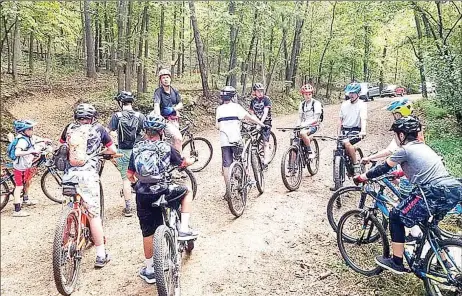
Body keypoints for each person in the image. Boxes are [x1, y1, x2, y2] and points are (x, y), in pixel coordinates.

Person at [353, 117, 462, 274]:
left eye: (396, 134)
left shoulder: (405, 150)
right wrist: (398, 173)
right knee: (428, 224)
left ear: (402, 135)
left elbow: (382, 168)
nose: (396, 138)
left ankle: (396, 261)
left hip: (432, 191)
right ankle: (443, 261)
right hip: (452, 189)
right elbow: (419, 168)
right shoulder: (424, 148)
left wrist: (362, 177)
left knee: (396, 216)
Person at [126, 114, 198, 284]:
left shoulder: (136, 148)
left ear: (145, 131)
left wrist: (137, 185)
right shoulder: (166, 147)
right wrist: (192, 160)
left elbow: (129, 175)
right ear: (161, 132)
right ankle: (184, 229)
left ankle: (150, 269)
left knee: (147, 231)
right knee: (187, 191)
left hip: (143, 195)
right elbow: (181, 163)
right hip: (163, 191)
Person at [58, 103, 117, 268]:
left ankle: (62, 249)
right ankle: (100, 255)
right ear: (93, 117)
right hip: (88, 176)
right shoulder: (99, 129)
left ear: (76, 117)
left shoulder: (69, 128)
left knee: (70, 207)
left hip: (69, 176)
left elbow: (61, 145)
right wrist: (101, 154)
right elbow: (111, 149)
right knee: (94, 216)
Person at [216, 86, 266, 197]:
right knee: (242, 158)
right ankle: (246, 180)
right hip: (236, 139)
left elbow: (217, 126)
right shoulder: (236, 107)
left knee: (226, 165)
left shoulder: (219, 109)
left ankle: (228, 191)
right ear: (233, 97)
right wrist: (262, 124)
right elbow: (250, 117)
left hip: (224, 141)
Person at [108, 91, 145, 217]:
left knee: (125, 179)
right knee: (141, 176)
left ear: (121, 103)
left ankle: (128, 208)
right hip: (138, 151)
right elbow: (146, 132)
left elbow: (109, 133)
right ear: (131, 102)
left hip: (123, 151)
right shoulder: (140, 116)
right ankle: (145, 201)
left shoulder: (116, 116)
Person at [361, 97, 423, 164]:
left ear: (398, 114)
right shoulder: (415, 125)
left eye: (394, 114)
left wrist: (370, 158)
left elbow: (390, 150)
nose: (393, 116)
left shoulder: (403, 129)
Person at [9, 120, 50, 217]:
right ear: (23, 131)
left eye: (32, 128)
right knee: (19, 186)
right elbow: (17, 153)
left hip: (26, 165)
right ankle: (17, 210)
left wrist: (45, 140)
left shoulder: (28, 137)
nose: (32, 130)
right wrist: (30, 152)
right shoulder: (22, 141)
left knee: (27, 181)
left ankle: (25, 200)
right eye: (29, 129)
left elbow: (35, 140)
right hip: (20, 167)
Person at [339, 82, 367, 174]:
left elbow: (363, 119)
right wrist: (338, 133)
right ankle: (337, 179)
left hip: (355, 131)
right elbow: (340, 120)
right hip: (344, 131)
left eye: (353, 93)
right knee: (338, 149)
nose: (351, 95)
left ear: (358, 94)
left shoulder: (362, 105)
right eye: (350, 93)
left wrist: (363, 131)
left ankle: (355, 164)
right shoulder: (344, 104)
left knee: (347, 144)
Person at [152, 68, 183, 153]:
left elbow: (180, 104)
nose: (165, 80)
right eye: (163, 78)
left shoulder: (174, 90)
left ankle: (172, 160)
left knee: (172, 142)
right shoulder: (158, 92)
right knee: (178, 138)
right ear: (160, 80)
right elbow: (156, 105)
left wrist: (173, 108)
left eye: (167, 77)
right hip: (165, 120)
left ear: (170, 78)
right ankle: (180, 162)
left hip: (175, 119)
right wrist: (158, 116)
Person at [249, 83, 272, 169]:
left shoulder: (266, 99)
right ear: (254, 92)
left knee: (265, 142)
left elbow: (265, 113)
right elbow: (252, 113)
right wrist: (256, 122)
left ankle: (266, 161)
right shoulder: (253, 101)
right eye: (258, 91)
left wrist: (261, 123)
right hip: (257, 122)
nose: (260, 92)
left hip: (266, 122)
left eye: (261, 91)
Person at [296, 84, 322, 158]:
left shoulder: (316, 103)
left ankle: (310, 151)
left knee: (303, 133)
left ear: (312, 94)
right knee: (295, 136)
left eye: (309, 94)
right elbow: (300, 117)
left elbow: (316, 119)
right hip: (304, 125)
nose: (308, 96)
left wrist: (305, 124)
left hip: (313, 125)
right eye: (306, 94)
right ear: (303, 95)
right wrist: (297, 125)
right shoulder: (302, 104)